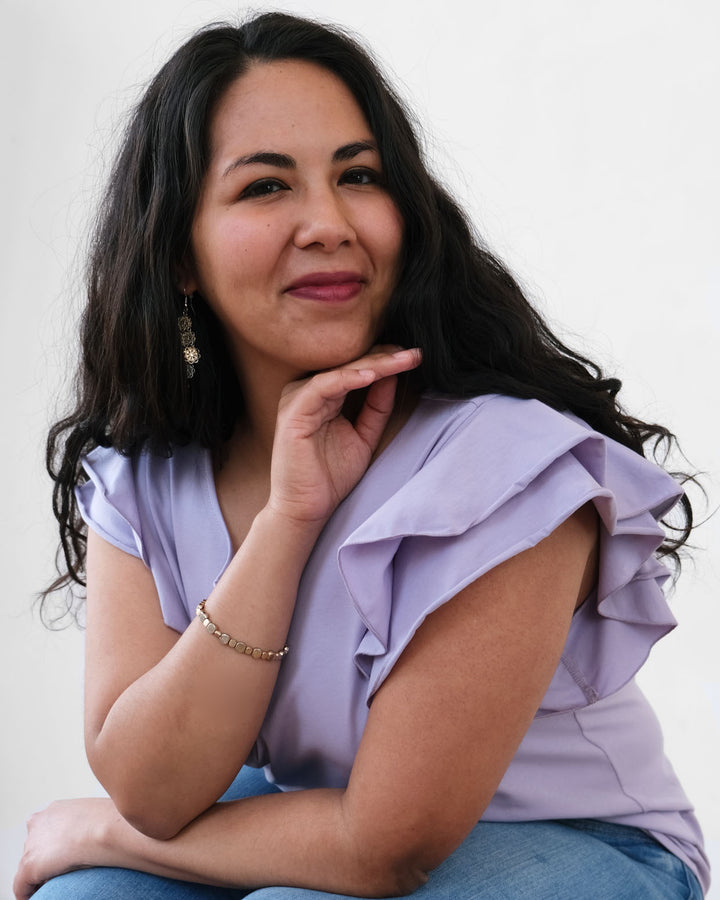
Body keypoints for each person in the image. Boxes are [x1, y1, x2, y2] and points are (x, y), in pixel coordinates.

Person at [14, 11, 709, 900]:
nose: (328, 223)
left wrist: (99, 830)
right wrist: (288, 520)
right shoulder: (144, 477)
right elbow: (153, 790)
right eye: (266, 187)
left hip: (581, 842)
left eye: (359, 176)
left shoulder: (508, 467)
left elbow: (383, 845)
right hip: (322, 817)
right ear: (180, 252)